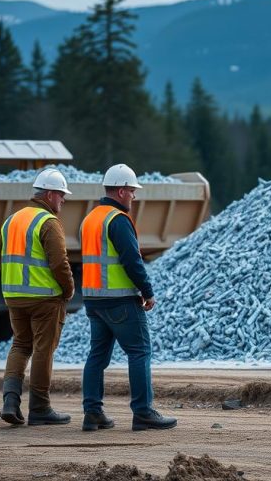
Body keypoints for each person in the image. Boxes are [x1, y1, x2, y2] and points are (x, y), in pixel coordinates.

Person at [79, 164, 177, 432]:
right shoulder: (117, 220)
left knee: (97, 356)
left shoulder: (90, 219)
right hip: (120, 300)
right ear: (121, 191)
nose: (134, 196)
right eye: (132, 191)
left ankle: (92, 413)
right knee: (140, 351)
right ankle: (143, 412)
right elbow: (132, 260)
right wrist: (147, 291)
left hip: (93, 300)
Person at [0, 168, 76, 426]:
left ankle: (10, 401)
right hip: (44, 299)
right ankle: (40, 407)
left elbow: (0, 259)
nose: (63, 200)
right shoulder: (48, 222)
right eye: (62, 195)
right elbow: (59, 263)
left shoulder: (11, 220)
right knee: (43, 349)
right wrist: (68, 290)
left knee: (20, 345)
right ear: (51, 195)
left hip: (14, 296)